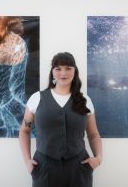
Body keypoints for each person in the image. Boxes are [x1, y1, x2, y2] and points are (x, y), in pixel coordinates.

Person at [19, 52, 103, 187]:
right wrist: (27, 160)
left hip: (79, 168)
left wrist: (98, 159)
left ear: (75, 71)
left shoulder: (85, 100)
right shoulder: (37, 98)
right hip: (44, 167)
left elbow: (93, 134)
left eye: (68, 68)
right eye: (58, 68)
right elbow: (25, 130)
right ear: (52, 72)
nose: (63, 73)